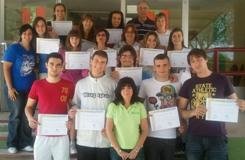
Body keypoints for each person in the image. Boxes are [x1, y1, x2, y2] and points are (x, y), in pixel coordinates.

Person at [178, 48, 245, 160]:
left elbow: (236, 103)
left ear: (206, 60)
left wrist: (242, 104)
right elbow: (181, 111)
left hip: (217, 136)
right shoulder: (188, 83)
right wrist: (193, 112)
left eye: (199, 59)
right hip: (194, 135)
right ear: (190, 66)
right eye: (193, 61)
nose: (196, 63)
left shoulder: (221, 79)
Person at [25, 53, 74, 160]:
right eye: (51, 64)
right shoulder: (37, 84)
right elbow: (28, 107)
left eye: (58, 65)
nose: (54, 67)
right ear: (46, 65)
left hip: (62, 134)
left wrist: (71, 118)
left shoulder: (69, 85)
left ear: (62, 67)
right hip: (42, 133)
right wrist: (29, 118)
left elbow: (72, 107)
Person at [69, 50, 116, 160]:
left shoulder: (113, 83)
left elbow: (117, 109)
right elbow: (76, 104)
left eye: (103, 62)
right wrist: (73, 110)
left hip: (105, 138)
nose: (99, 64)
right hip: (85, 138)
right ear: (90, 61)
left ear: (106, 65)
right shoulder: (81, 84)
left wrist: (112, 128)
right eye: (96, 60)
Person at [139, 54, 183, 160]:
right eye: (158, 66)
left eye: (164, 65)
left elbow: (180, 107)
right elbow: (138, 107)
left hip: (171, 134)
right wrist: (144, 121)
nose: (161, 68)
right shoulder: (145, 84)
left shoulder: (178, 84)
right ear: (154, 67)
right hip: (151, 135)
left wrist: (182, 123)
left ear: (169, 66)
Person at [3, 24, 36, 154]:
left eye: (30, 34)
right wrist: (10, 88)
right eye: (25, 34)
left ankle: (25, 142)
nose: (27, 36)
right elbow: (5, 68)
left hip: (30, 89)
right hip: (15, 89)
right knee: (16, 115)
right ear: (21, 35)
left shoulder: (33, 50)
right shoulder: (13, 48)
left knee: (27, 116)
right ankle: (12, 143)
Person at [59, 29, 89, 154]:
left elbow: (84, 74)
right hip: (64, 87)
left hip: (78, 88)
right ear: (68, 40)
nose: (74, 40)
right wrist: (63, 69)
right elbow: (57, 70)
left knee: (74, 114)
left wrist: (86, 69)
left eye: (76, 38)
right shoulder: (62, 53)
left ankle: (72, 142)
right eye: (72, 38)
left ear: (79, 40)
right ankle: (62, 140)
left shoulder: (83, 54)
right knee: (62, 113)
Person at [106, 77, 148, 160]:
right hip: (117, 151)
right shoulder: (113, 106)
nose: (126, 90)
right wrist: (119, 151)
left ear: (133, 89)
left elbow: (145, 130)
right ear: (119, 90)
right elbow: (109, 130)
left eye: (129, 87)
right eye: (123, 88)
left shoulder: (140, 106)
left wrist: (136, 150)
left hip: (137, 150)